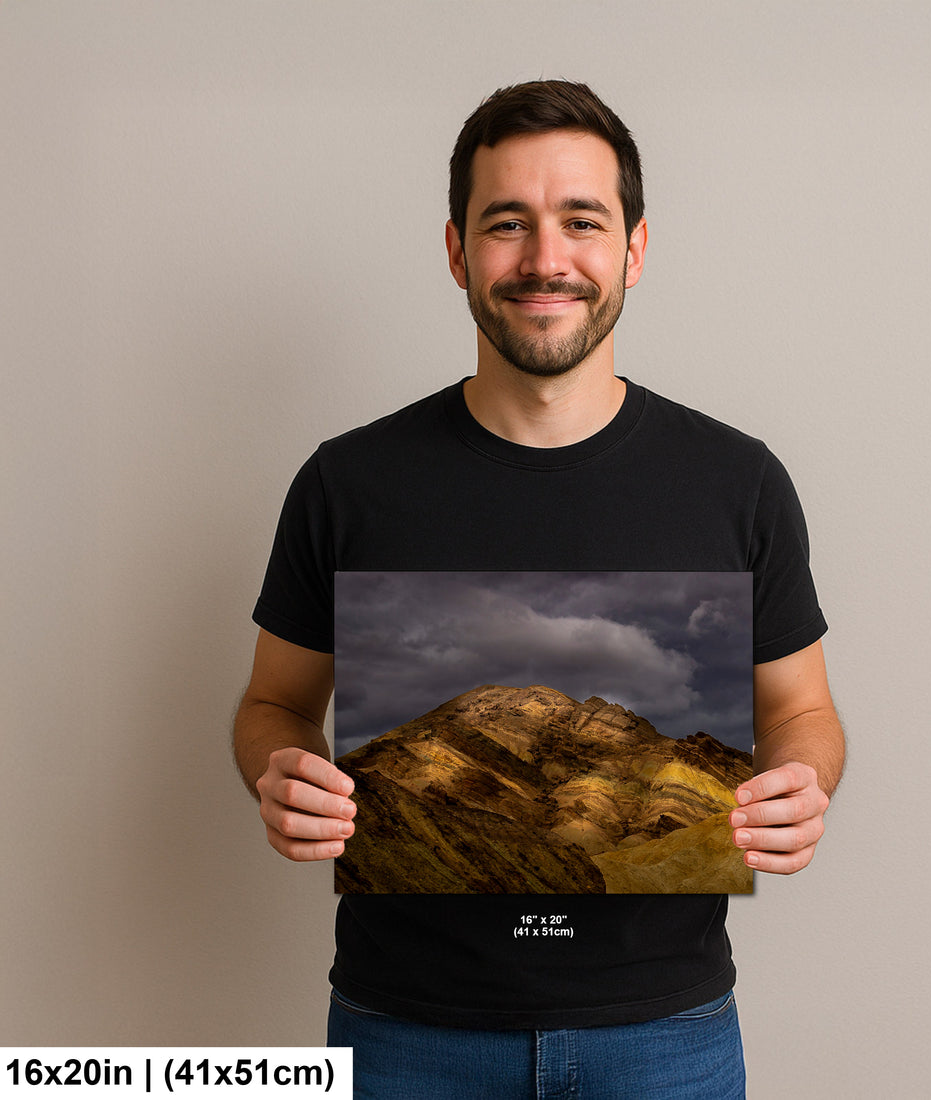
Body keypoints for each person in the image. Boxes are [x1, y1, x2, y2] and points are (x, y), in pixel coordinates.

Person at [233, 79, 845, 1099]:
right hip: (405, 1035)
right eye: (506, 222)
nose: (544, 257)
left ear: (634, 250)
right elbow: (273, 702)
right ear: (455, 250)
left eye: (580, 221)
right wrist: (281, 769)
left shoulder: (737, 482)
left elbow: (804, 711)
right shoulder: (349, 482)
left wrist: (799, 782)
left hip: (665, 1033)